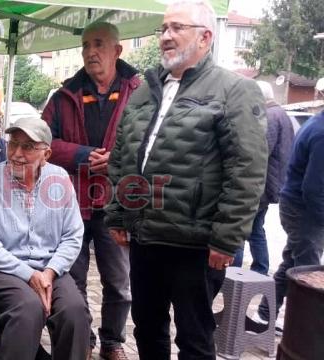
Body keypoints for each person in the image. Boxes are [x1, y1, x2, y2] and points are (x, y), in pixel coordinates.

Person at [104, 1, 267, 359]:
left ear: (205, 37)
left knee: (194, 337)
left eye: (177, 28)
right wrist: (117, 213)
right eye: (163, 29)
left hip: (197, 244)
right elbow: (122, 156)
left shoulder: (234, 90)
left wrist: (226, 239)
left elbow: (247, 170)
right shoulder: (146, 90)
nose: (166, 36)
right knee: (147, 328)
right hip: (146, 237)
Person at [41, 21, 139, 360]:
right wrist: (82, 155)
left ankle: (113, 340)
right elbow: (42, 141)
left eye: (98, 44)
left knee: (118, 280)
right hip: (70, 201)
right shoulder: (64, 95)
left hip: (118, 201)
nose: (90, 52)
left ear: (117, 50)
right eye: (85, 45)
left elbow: (154, 144)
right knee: (73, 277)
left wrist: (117, 159)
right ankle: (83, 340)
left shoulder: (138, 93)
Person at [0, 117, 89, 360]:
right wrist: (29, 274)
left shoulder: (60, 179)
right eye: (13, 144)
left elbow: (73, 234)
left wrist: (50, 272)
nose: (16, 153)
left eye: (28, 147)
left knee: (74, 312)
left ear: (46, 154)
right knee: (27, 309)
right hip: (1, 269)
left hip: (49, 270)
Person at [256, 110, 324, 332]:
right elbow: (314, 189)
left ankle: (265, 316)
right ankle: (301, 330)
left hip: (297, 205)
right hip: (303, 211)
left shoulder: (317, 122)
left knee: (293, 264)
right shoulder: (321, 132)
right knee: (307, 273)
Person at [231, 81, 294, 275]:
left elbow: (258, 152)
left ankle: (235, 274)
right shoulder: (281, 114)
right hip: (268, 184)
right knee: (256, 229)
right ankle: (259, 270)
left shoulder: (269, 116)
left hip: (259, 185)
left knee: (239, 230)